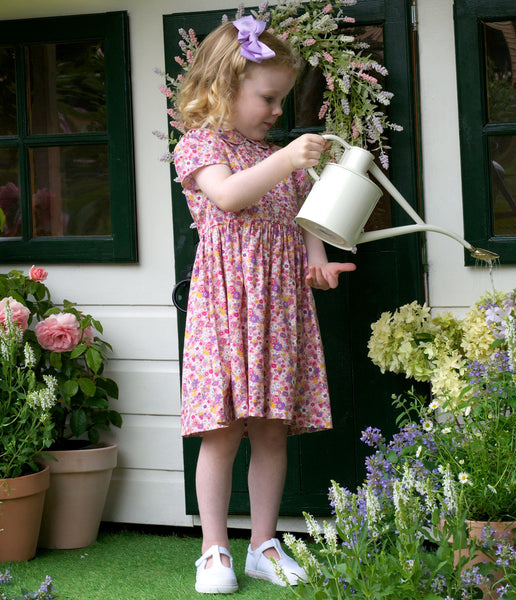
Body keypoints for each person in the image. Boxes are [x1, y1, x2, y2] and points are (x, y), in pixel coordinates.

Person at [173, 15, 356, 594]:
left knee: (271, 430)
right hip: (227, 310)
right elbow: (227, 197)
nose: (278, 110)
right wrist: (288, 159)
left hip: (278, 313)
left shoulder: (289, 168)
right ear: (223, 88)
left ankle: (262, 544)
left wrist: (320, 267)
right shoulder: (202, 146)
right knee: (222, 432)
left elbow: (309, 236)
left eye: (282, 99)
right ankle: (213, 550)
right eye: (268, 97)